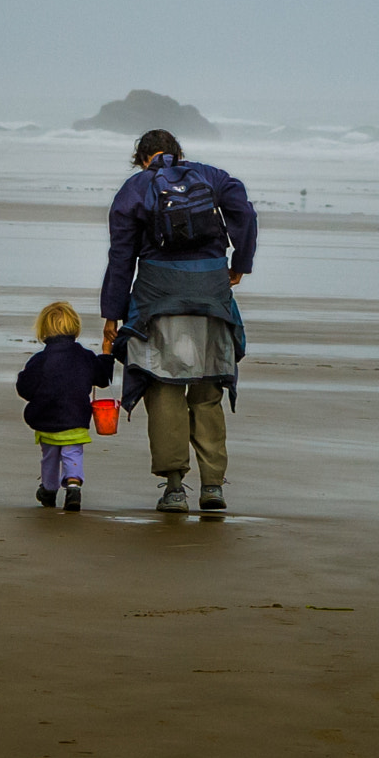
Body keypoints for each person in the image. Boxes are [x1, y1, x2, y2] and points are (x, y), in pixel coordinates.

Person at [100, 129, 257, 513]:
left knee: (163, 385)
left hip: (157, 297)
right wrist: (241, 263)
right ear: (179, 153)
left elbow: (121, 257)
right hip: (212, 293)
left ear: (141, 159)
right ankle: (213, 487)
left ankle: (173, 489)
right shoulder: (212, 176)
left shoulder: (135, 188)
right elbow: (245, 212)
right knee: (207, 389)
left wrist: (111, 315)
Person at [15, 301, 115, 512]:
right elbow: (103, 378)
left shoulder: (40, 360)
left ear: (43, 330)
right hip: (76, 417)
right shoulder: (85, 357)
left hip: (46, 418)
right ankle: (73, 485)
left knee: (50, 455)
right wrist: (106, 354)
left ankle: (49, 489)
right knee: (72, 452)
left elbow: (24, 388)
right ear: (74, 328)